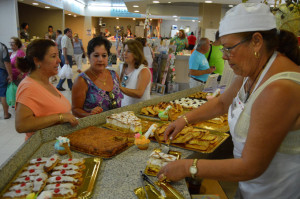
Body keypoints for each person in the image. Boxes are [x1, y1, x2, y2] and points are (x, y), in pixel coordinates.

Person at [158, 3, 300, 199]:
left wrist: (188, 166)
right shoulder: (253, 69)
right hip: (251, 189)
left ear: (256, 41)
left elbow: (251, 166)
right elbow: (222, 103)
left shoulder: (279, 89)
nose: (224, 57)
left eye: (228, 48)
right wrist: (184, 120)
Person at [15, 39, 78, 141]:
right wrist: (60, 117)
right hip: (42, 148)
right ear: (37, 61)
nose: (59, 60)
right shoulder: (28, 87)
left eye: (58, 56)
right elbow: (21, 125)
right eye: (53, 56)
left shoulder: (46, 83)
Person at [72, 36, 123, 118]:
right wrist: (90, 115)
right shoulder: (82, 80)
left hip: (118, 126)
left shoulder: (114, 75)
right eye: (96, 55)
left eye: (104, 55)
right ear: (89, 56)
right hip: (94, 128)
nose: (100, 59)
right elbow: (75, 110)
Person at [119, 39, 151, 107]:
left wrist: (119, 88)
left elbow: (139, 93)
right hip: (125, 111)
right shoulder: (123, 67)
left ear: (137, 54)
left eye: (129, 51)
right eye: (124, 50)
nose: (125, 53)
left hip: (139, 111)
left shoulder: (143, 71)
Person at [0, 42, 13, 119]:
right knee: (3, 92)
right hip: (1, 71)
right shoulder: (2, 47)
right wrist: (10, 75)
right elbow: (7, 62)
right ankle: (6, 114)